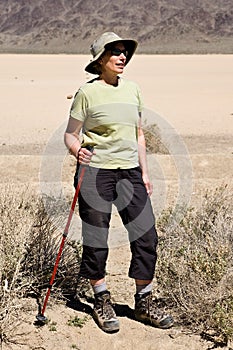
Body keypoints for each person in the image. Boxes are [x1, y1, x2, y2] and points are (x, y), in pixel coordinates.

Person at [64, 32, 173, 333]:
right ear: (101, 59)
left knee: (146, 235)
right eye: (115, 52)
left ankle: (144, 300)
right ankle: (101, 299)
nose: (122, 57)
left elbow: (138, 134)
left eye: (125, 52)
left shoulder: (133, 90)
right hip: (96, 173)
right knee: (97, 238)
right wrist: (78, 149)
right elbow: (70, 134)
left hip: (130, 172)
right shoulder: (86, 93)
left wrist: (145, 173)